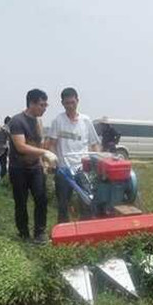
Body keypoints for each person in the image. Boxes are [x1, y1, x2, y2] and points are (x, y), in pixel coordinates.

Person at [6, 89, 57, 243]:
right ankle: (23, 233)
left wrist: (43, 162)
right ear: (32, 103)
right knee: (21, 201)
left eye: (46, 105)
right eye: (42, 105)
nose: (44, 108)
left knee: (41, 199)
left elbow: (39, 143)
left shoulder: (38, 121)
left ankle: (40, 232)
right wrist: (44, 152)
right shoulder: (17, 121)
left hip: (35, 168)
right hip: (19, 168)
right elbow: (21, 146)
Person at [47, 87, 101, 223]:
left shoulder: (86, 120)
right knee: (63, 203)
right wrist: (54, 162)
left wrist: (98, 161)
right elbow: (51, 144)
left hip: (82, 169)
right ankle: (64, 232)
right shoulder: (58, 121)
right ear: (62, 103)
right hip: (64, 169)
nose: (70, 106)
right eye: (67, 103)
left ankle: (87, 228)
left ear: (77, 100)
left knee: (88, 200)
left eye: (72, 102)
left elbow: (94, 144)